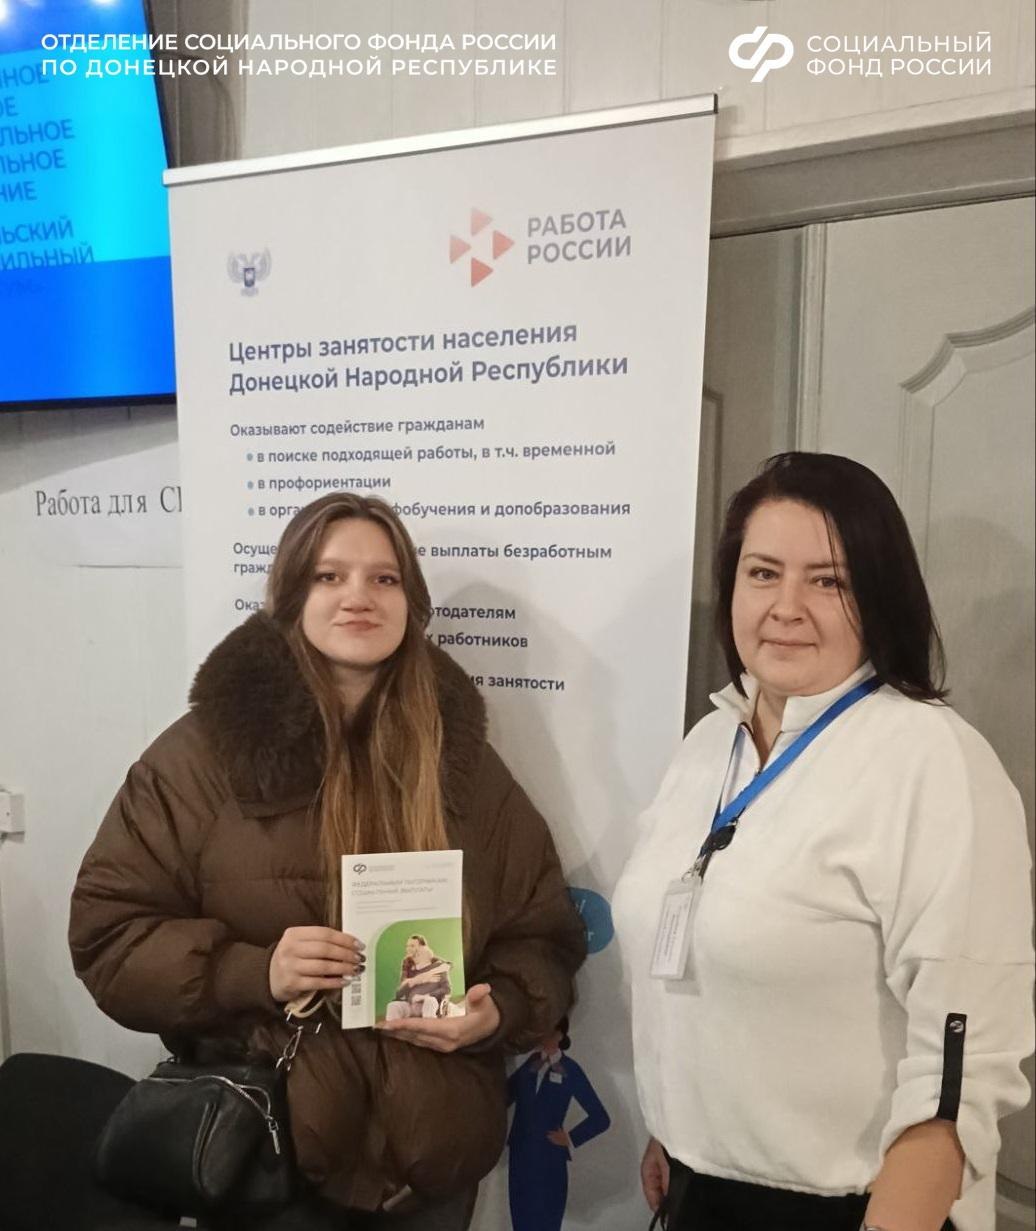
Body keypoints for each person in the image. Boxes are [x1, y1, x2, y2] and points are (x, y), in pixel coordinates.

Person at [69, 492, 586, 1230]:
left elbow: (546, 936)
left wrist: (497, 1008)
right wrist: (255, 972)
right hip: (273, 1168)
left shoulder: (462, 763)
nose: (358, 596)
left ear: (411, 602)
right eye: (328, 576)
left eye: (384, 578)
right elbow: (108, 935)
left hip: (432, 1173)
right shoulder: (202, 758)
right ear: (290, 594)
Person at [612, 452, 1034, 1231]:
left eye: (828, 581)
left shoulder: (934, 761)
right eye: (763, 573)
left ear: (878, 595)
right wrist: (676, 1127)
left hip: (855, 1208)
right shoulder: (709, 744)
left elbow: (960, 1075)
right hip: (698, 1190)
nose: (786, 606)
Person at [505, 1016, 611, 1231]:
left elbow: (600, 1117)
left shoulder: (570, 1069)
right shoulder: (532, 1063)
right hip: (521, 1154)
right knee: (520, 1215)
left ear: (560, 1035)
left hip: (548, 1158)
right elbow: (505, 1094)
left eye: (549, 1032)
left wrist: (571, 1138)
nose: (542, 1037)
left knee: (546, 1218)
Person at [386, 935, 453, 1021]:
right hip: (411, 1004)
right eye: (407, 946)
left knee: (430, 1001)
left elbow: (446, 988)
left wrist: (426, 996)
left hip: (429, 1002)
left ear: (422, 948)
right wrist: (418, 980)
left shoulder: (438, 966)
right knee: (392, 1006)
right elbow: (400, 992)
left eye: (413, 946)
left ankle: (428, 1027)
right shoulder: (408, 964)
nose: (409, 949)